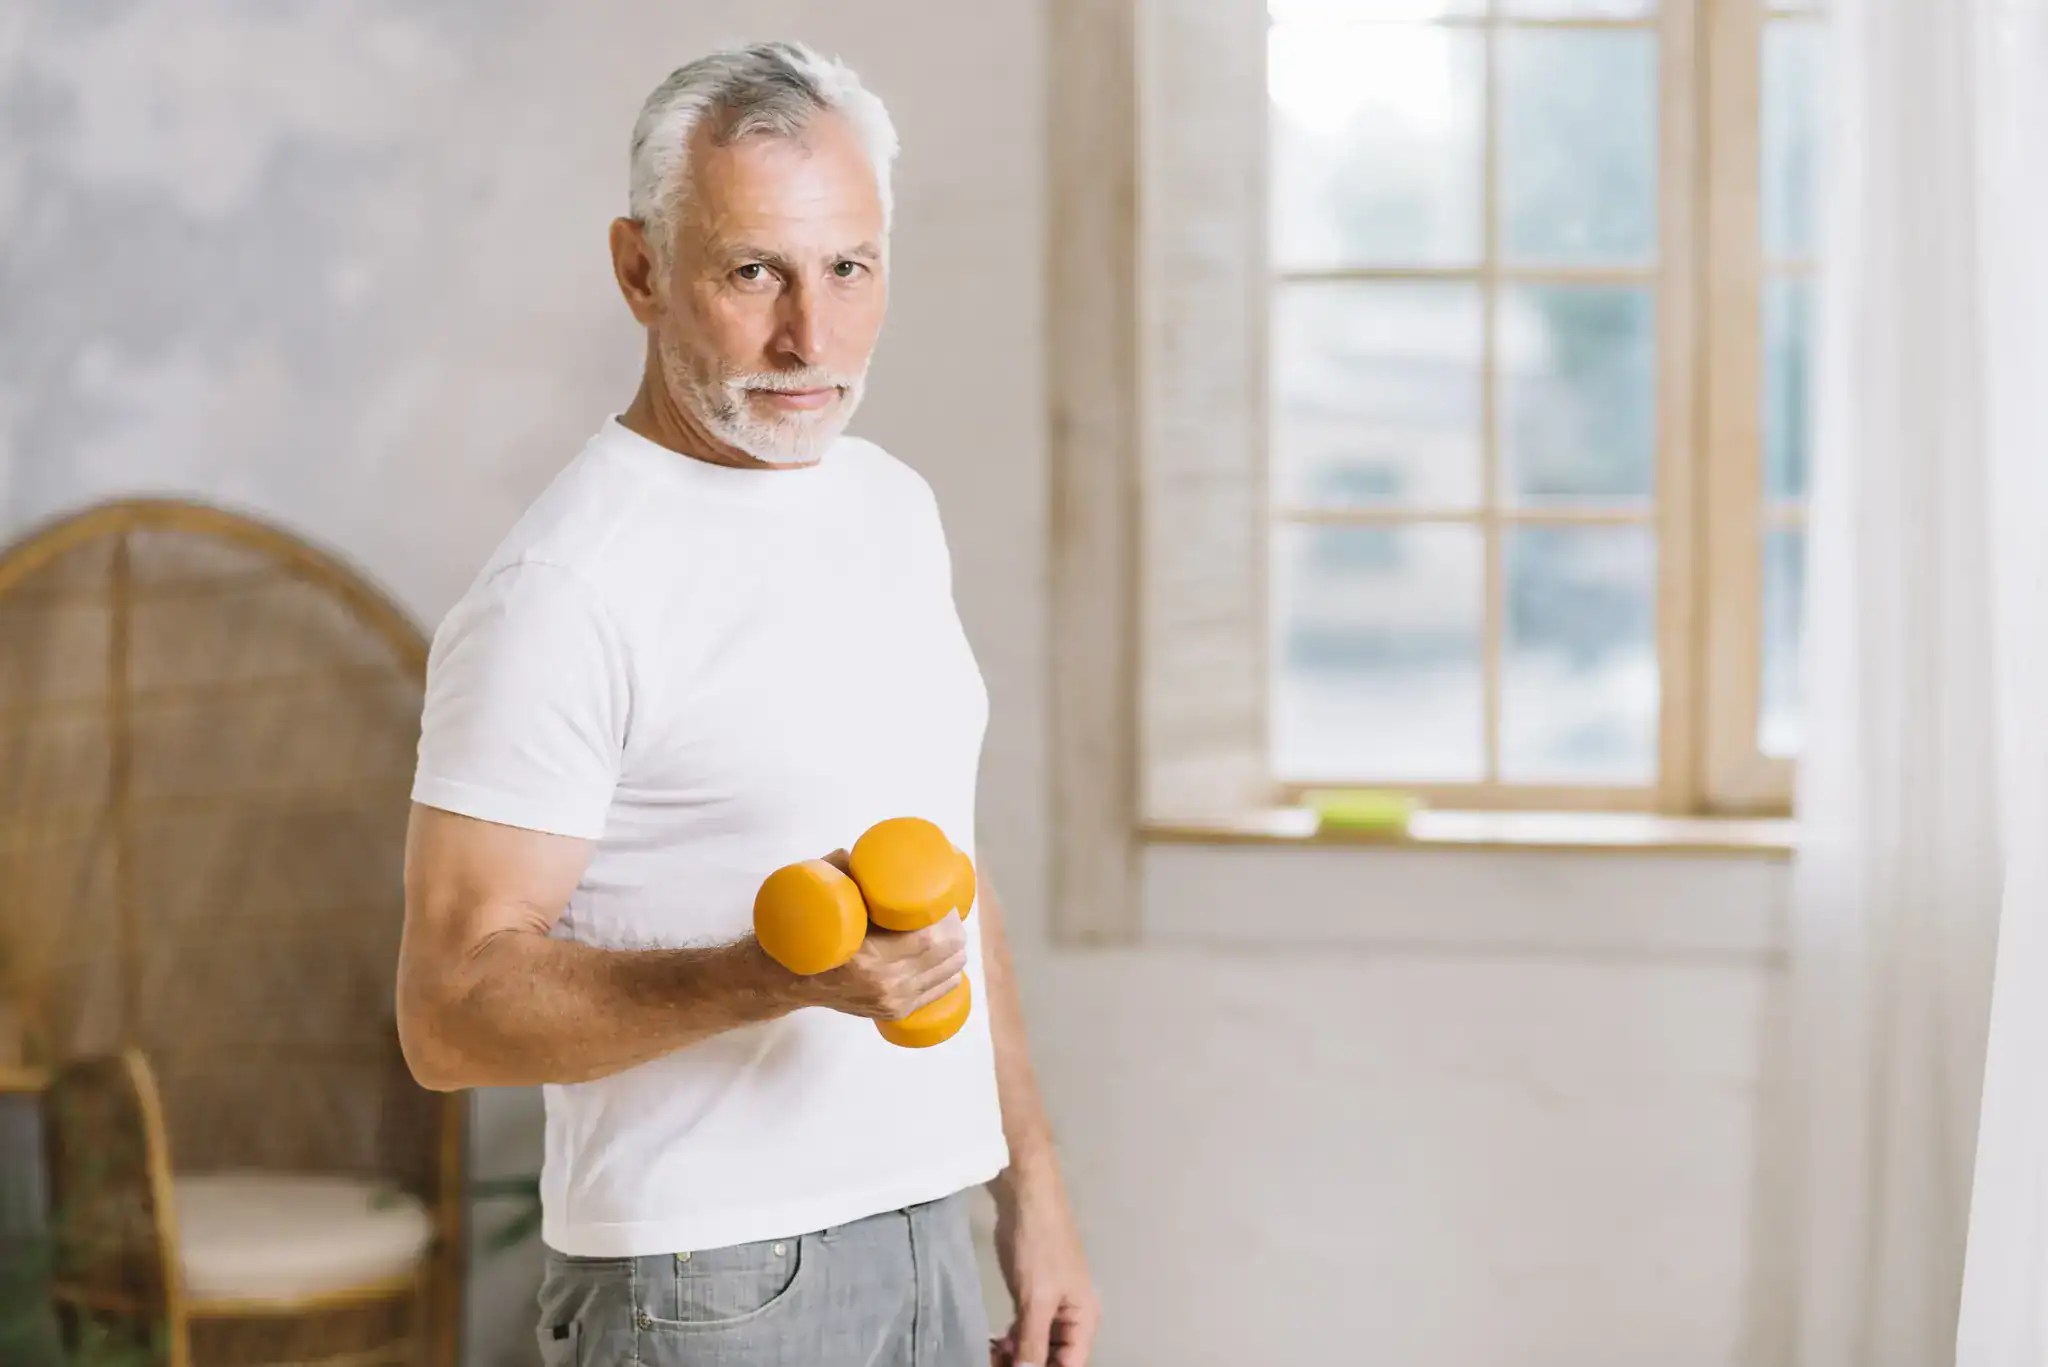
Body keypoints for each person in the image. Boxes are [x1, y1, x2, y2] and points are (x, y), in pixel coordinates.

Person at [393, 39, 1098, 1367]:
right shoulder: (561, 591)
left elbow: (948, 864)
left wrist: (1033, 1187)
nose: (809, 339)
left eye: (849, 268)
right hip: (704, 1284)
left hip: (927, 1231)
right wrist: (765, 976)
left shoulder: (889, 507)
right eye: (753, 271)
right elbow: (448, 1011)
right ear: (641, 270)